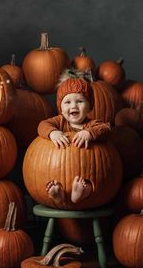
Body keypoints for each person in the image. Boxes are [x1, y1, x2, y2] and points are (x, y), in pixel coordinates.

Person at [38, 69, 111, 205]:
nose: (74, 106)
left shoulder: (92, 124)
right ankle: (58, 193)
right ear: (60, 107)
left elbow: (106, 129)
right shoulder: (59, 122)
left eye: (80, 101)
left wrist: (89, 133)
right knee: (56, 182)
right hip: (59, 171)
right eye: (68, 102)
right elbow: (42, 125)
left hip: (87, 171)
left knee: (90, 183)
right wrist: (53, 132)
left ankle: (81, 193)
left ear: (89, 107)